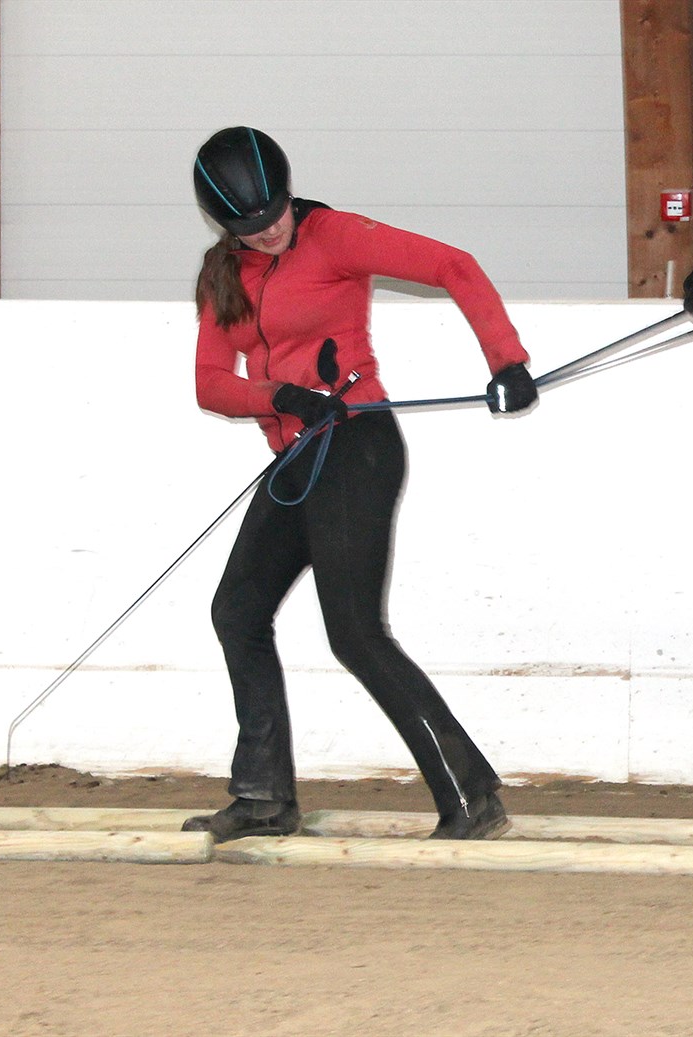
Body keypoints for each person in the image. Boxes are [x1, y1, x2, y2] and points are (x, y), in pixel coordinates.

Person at [184, 126, 539, 842]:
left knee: (354, 632)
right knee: (237, 610)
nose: (272, 229)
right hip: (296, 456)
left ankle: (471, 796)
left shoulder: (334, 237)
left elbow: (454, 265)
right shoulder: (224, 276)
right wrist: (278, 397)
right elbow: (210, 383)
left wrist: (507, 360)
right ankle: (263, 798)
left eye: (277, 211)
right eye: (252, 226)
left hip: (356, 445)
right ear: (225, 226)